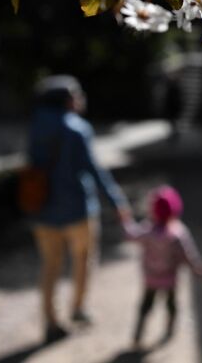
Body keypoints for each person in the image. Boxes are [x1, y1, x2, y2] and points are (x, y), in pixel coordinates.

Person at [28, 75, 132, 343]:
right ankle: (78, 309)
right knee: (83, 260)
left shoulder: (36, 125)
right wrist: (117, 200)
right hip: (78, 210)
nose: (80, 98)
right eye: (77, 94)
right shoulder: (77, 129)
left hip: (42, 209)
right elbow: (93, 169)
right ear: (67, 100)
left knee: (50, 266)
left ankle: (51, 322)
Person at [124, 185, 202, 347]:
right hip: (170, 279)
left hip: (150, 278)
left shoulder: (147, 231)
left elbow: (131, 235)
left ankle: (138, 334)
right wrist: (197, 267)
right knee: (171, 304)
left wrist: (126, 219)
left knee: (146, 305)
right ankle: (169, 329)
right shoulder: (178, 233)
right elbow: (188, 254)